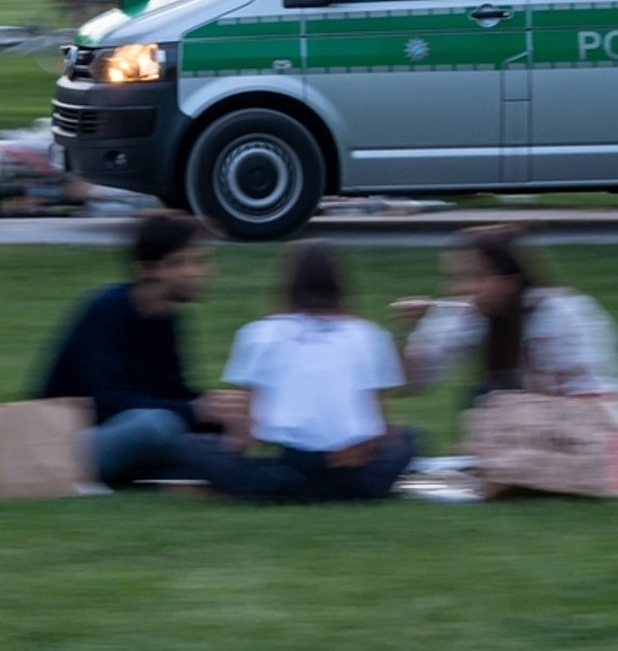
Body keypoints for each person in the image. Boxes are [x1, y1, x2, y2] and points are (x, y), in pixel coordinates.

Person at [32, 213, 244, 487]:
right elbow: (104, 402)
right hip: (70, 437)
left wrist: (220, 410)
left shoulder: (167, 318)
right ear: (147, 269)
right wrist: (194, 411)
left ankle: (159, 468)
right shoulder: (106, 310)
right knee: (155, 427)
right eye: (182, 263)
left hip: (127, 432)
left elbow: (172, 392)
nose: (199, 272)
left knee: (206, 432)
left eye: (199, 262)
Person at [205, 242, 416, 503]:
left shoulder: (260, 333)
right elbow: (381, 424)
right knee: (409, 438)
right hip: (352, 470)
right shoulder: (367, 334)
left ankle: (279, 488)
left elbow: (248, 426)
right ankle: (345, 489)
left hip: (290, 466)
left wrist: (232, 453)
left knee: (193, 446)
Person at [394, 225, 618, 401]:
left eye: (476, 277)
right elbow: (411, 384)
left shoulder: (564, 314)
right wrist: (407, 331)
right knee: (483, 398)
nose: (459, 288)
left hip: (578, 423)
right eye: (456, 277)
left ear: (510, 282)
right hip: (520, 420)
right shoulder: (466, 313)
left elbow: (597, 393)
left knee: (490, 398)